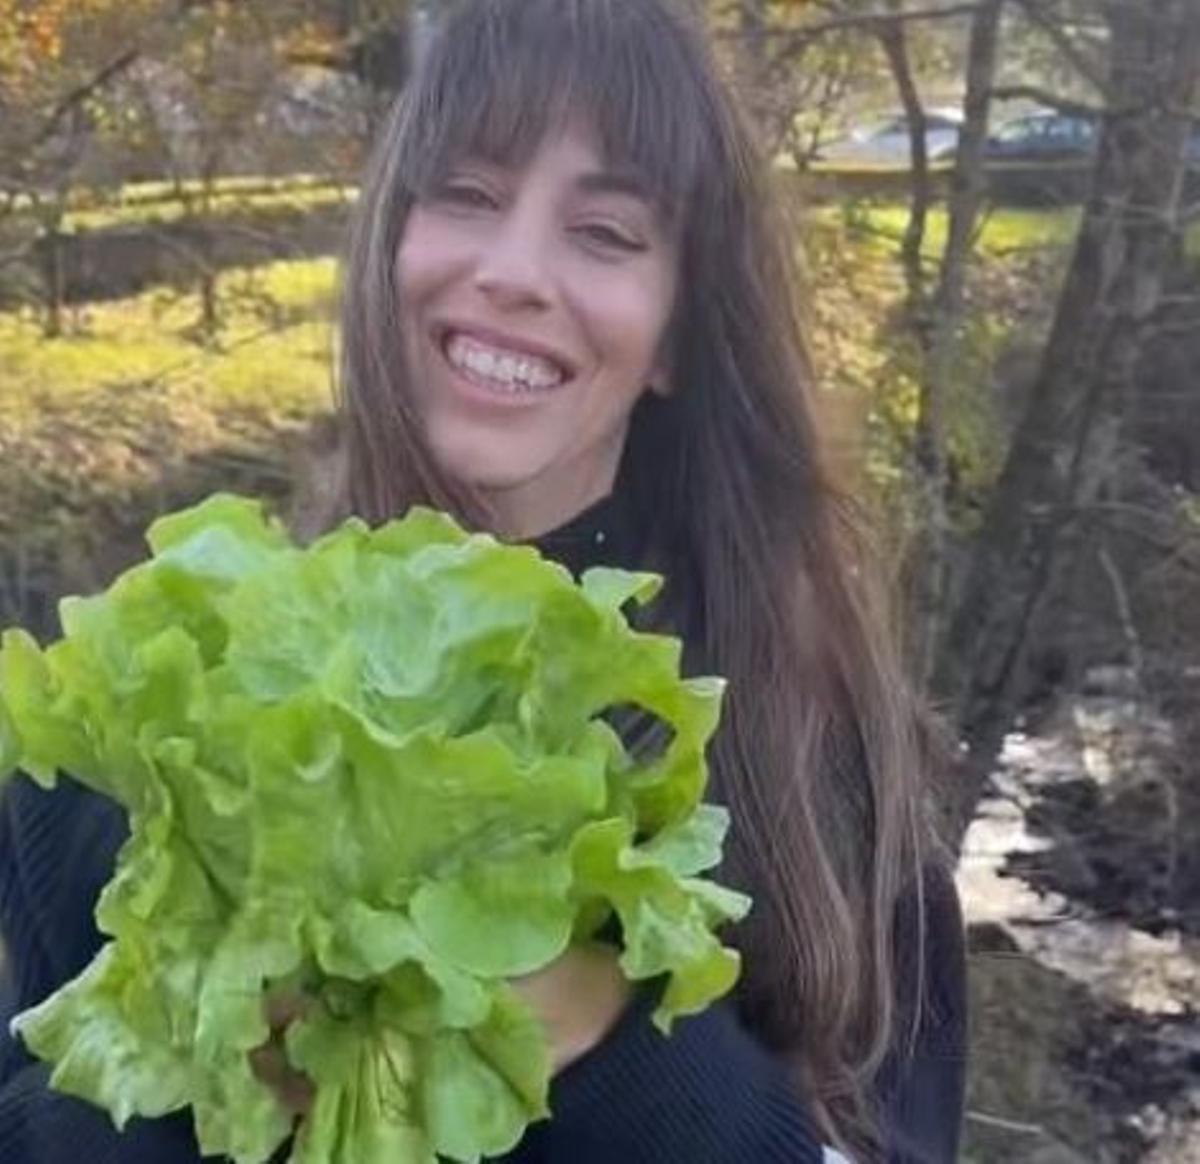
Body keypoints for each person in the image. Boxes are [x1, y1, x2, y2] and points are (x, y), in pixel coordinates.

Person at [0, 0, 967, 1160]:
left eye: (605, 232)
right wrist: (203, 1083)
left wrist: (602, 1033)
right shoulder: (154, 712)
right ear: (392, 243)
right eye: (466, 194)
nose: (513, 272)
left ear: (671, 335)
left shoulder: (805, 743)